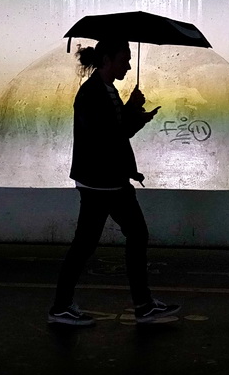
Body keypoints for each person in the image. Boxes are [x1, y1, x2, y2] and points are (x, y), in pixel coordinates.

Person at [49, 39, 180, 326]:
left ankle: (140, 305)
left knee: (109, 240)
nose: (129, 65)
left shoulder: (106, 91)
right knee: (112, 239)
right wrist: (133, 114)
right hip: (102, 183)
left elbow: (116, 132)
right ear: (107, 59)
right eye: (124, 60)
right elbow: (107, 137)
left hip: (107, 181)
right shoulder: (93, 94)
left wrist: (133, 112)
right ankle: (138, 306)